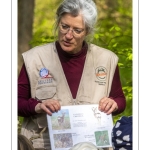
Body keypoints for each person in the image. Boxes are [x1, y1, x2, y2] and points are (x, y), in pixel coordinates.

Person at [18, 0, 126, 149]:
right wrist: (38, 106)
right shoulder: (35, 58)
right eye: (64, 26)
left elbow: (120, 99)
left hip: (93, 145)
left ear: (87, 31)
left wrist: (114, 104)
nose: (68, 35)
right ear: (58, 22)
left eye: (77, 30)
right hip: (43, 144)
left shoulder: (106, 60)